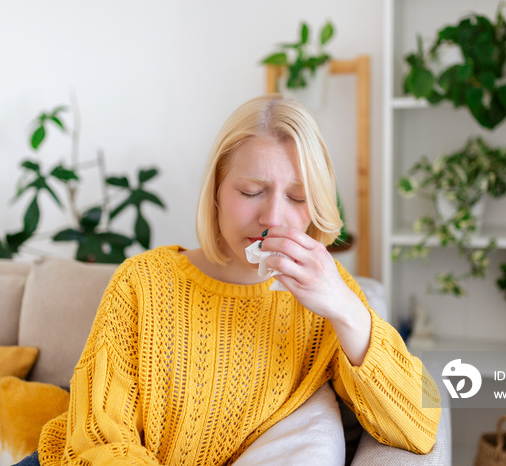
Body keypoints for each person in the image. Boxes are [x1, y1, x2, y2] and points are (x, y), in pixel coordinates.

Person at [26, 95, 441, 465]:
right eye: (250, 191)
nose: (273, 218)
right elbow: (99, 438)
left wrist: (347, 309)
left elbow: (424, 421)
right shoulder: (142, 281)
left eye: (297, 198)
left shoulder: (327, 295)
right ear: (216, 194)